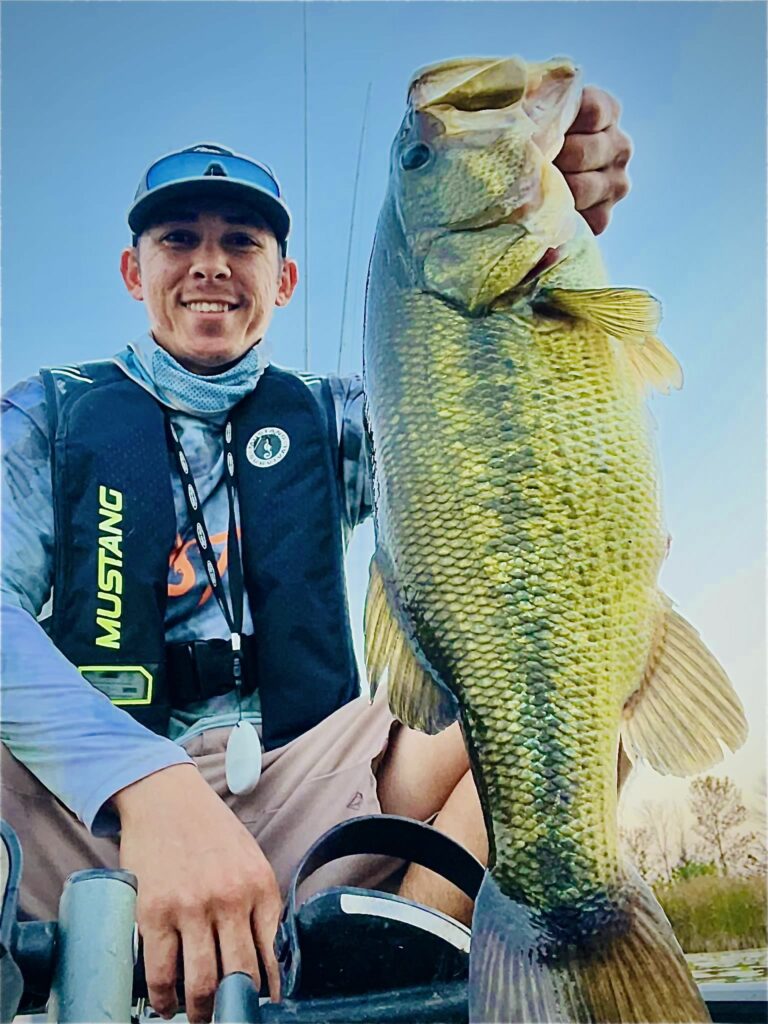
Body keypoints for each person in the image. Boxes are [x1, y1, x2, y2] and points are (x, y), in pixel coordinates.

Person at [1, 86, 632, 1023]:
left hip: (313, 781)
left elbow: (493, 411)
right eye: (180, 239)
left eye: (242, 243)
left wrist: (550, 222)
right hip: (93, 803)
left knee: (577, 721)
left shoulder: (344, 415)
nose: (210, 264)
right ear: (134, 271)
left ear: (283, 281)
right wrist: (146, 782)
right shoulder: (49, 413)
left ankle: (386, 958)